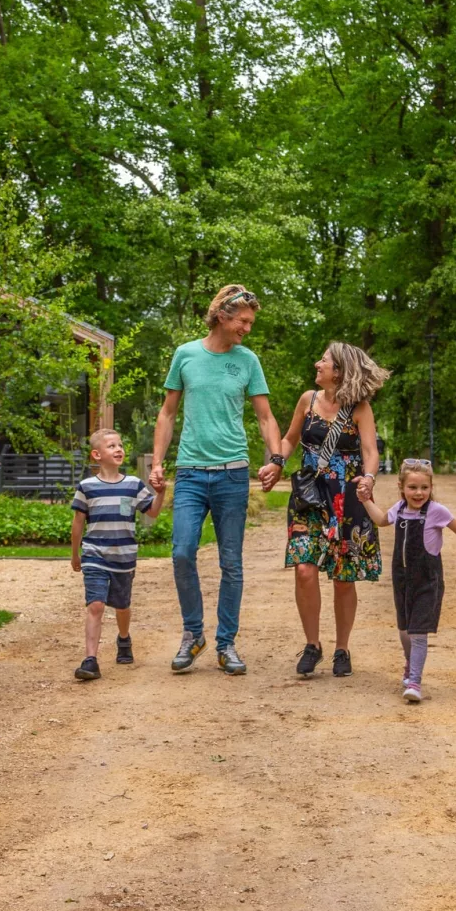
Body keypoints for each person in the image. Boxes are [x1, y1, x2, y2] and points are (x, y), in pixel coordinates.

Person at [150, 284, 284, 675]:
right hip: (190, 473)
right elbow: (167, 413)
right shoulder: (186, 355)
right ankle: (194, 635)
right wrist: (157, 463)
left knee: (231, 562)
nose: (248, 328)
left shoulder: (247, 361)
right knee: (182, 552)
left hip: (233, 474)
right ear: (223, 316)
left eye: (251, 322)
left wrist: (275, 459)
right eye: (244, 321)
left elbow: (265, 416)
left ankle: (226, 644)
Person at [269, 342, 388, 679]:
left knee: (343, 578)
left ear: (339, 371)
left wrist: (368, 478)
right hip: (309, 496)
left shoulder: (360, 408)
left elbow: (370, 451)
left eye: (324, 360)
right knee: (304, 569)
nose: (317, 363)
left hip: (347, 498)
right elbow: (291, 439)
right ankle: (312, 644)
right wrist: (277, 462)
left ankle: (342, 648)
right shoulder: (307, 400)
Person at [360, 459, 456, 702]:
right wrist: (365, 500)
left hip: (427, 580)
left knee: (418, 632)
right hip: (402, 578)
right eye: (413, 487)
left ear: (431, 486)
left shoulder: (437, 511)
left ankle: (414, 681)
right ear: (402, 487)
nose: (419, 493)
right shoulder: (400, 509)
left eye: (424, 487)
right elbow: (382, 520)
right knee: (405, 629)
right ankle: (409, 663)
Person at [71, 429, 166, 681]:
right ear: (96, 454)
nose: (118, 449)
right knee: (96, 605)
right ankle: (90, 660)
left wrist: (162, 492)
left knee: (122, 605)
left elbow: (153, 512)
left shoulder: (133, 485)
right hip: (94, 555)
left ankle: (123, 639)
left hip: (124, 556)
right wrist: (75, 555)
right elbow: (78, 523)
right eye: (111, 445)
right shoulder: (86, 487)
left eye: (120, 445)